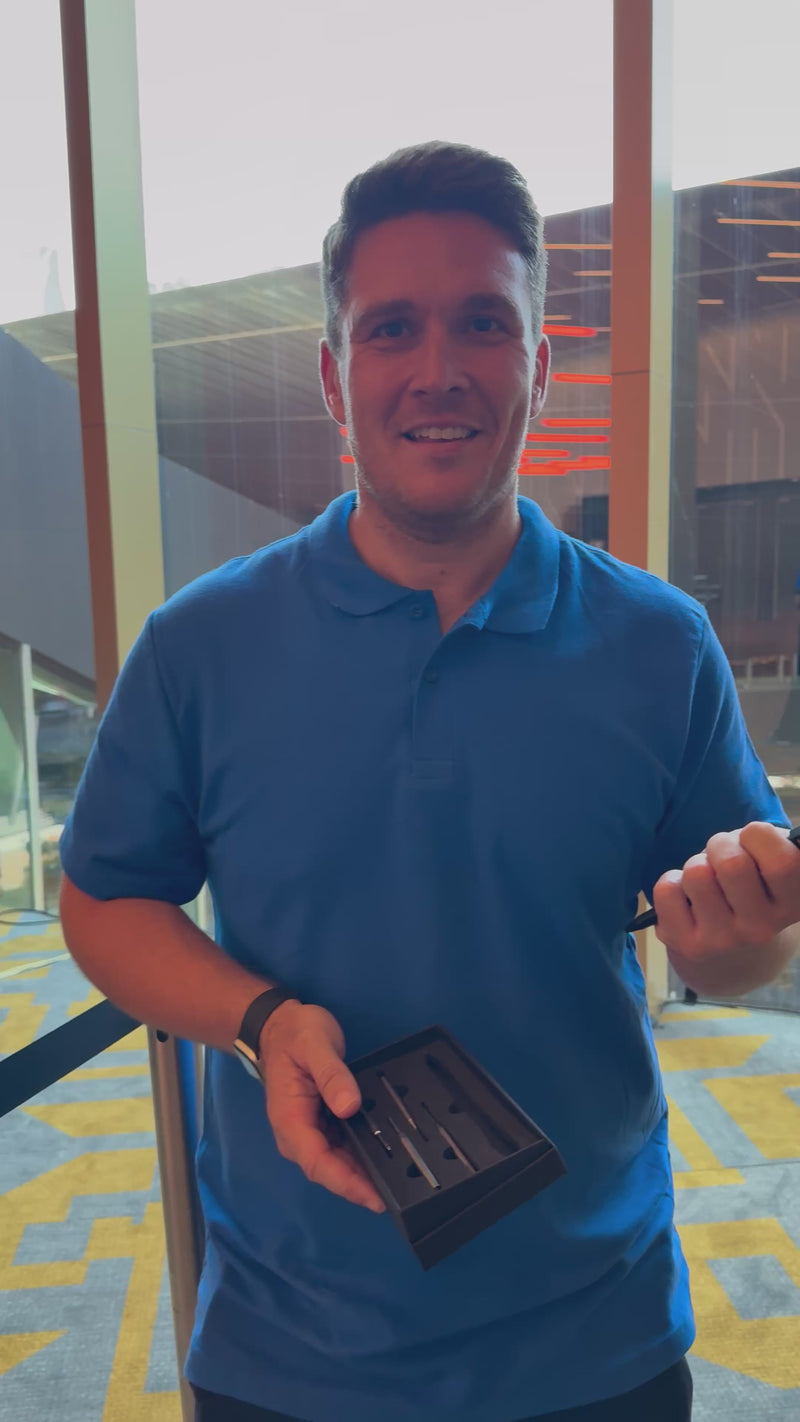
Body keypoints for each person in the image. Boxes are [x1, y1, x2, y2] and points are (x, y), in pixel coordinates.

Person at [59, 142, 800, 1422]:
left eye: (482, 324)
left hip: (595, 1330)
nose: (437, 369)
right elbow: (102, 901)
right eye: (390, 328)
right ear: (334, 378)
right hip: (291, 1345)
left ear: (539, 367)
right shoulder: (202, 645)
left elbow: (734, 950)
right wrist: (257, 1019)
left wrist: (738, 943)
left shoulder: (657, 644)